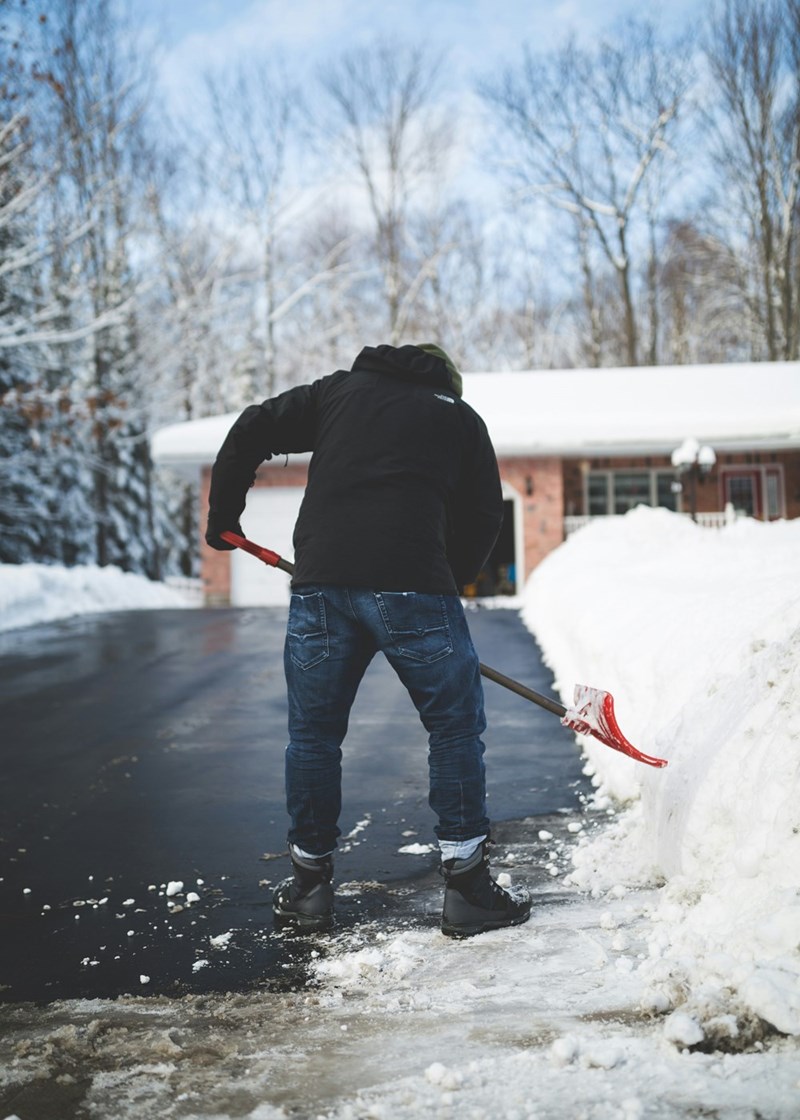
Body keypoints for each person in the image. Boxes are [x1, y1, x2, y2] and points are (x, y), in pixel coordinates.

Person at [206, 343, 531, 938]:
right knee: (454, 729)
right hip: (415, 585)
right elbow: (485, 512)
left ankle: (308, 888)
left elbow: (252, 426)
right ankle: (467, 890)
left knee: (313, 736)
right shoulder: (459, 417)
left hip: (322, 584)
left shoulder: (336, 393)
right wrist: (446, 579)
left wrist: (223, 513)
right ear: (447, 382)